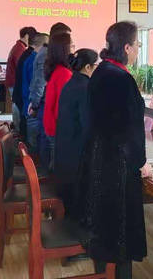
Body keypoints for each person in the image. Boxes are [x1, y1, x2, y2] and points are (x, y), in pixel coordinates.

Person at [77, 22, 152, 279]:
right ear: (127, 47)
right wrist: (141, 161)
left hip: (100, 158)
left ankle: (103, 272)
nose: (138, 50)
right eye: (137, 45)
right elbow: (129, 128)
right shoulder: (120, 77)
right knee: (119, 234)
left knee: (105, 229)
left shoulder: (102, 71)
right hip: (116, 165)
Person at [54, 48, 98, 214]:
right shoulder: (85, 87)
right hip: (76, 154)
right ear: (88, 67)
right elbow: (88, 124)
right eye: (96, 65)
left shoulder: (71, 83)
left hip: (66, 151)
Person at [29, 23, 71, 166]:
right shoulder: (58, 67)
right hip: (46, 110)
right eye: (70, 43)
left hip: (46, 110)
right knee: (47, 150)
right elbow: (40, 83)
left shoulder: (56, 64)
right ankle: (44, 174)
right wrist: (35, 104)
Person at [42, 33, 74, 171]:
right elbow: (62, 107)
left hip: (51, 124)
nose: (74, 49)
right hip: (56, 127)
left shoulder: (58, 69)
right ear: (64, 49)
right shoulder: (64, 73)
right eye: (71, 45)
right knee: (58, 169)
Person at [16, 33, 48, 150]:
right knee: (34, 148)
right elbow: (38, 85)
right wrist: (35, 105)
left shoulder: (30, 58)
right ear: (44, 45)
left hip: (28, 103)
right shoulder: (37, 59)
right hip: (32, 107)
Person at [5, 26, 37, 129]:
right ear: (27, 36)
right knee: (17, 106)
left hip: (13, 81)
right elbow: (23, 69)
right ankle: (17, 129)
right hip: (15, 82)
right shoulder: (20, 49)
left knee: (16, 104)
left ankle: (17, 127)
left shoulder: (18, 47)